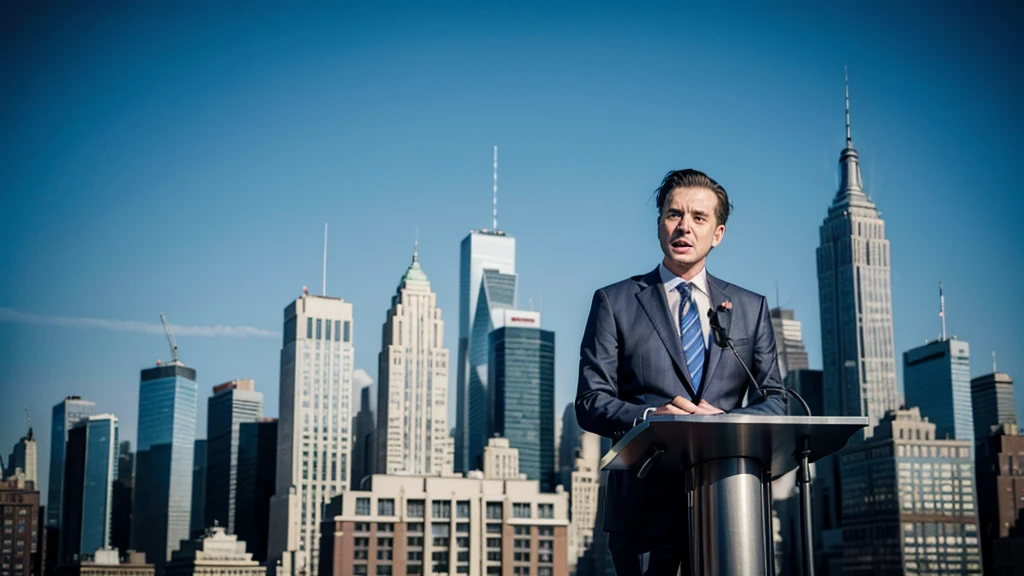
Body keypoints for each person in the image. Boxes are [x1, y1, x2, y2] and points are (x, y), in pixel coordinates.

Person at [575, 169, 787, 575]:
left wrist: (727, 421)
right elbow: (589, 402)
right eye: (674, 214)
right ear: (659, 224)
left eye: (699, 217)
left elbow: (775, 400)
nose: (684, 226)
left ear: (718, 232)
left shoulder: (749, 308)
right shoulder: (614, 302)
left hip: (731, 505)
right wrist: (650, 419)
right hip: (641, 512)